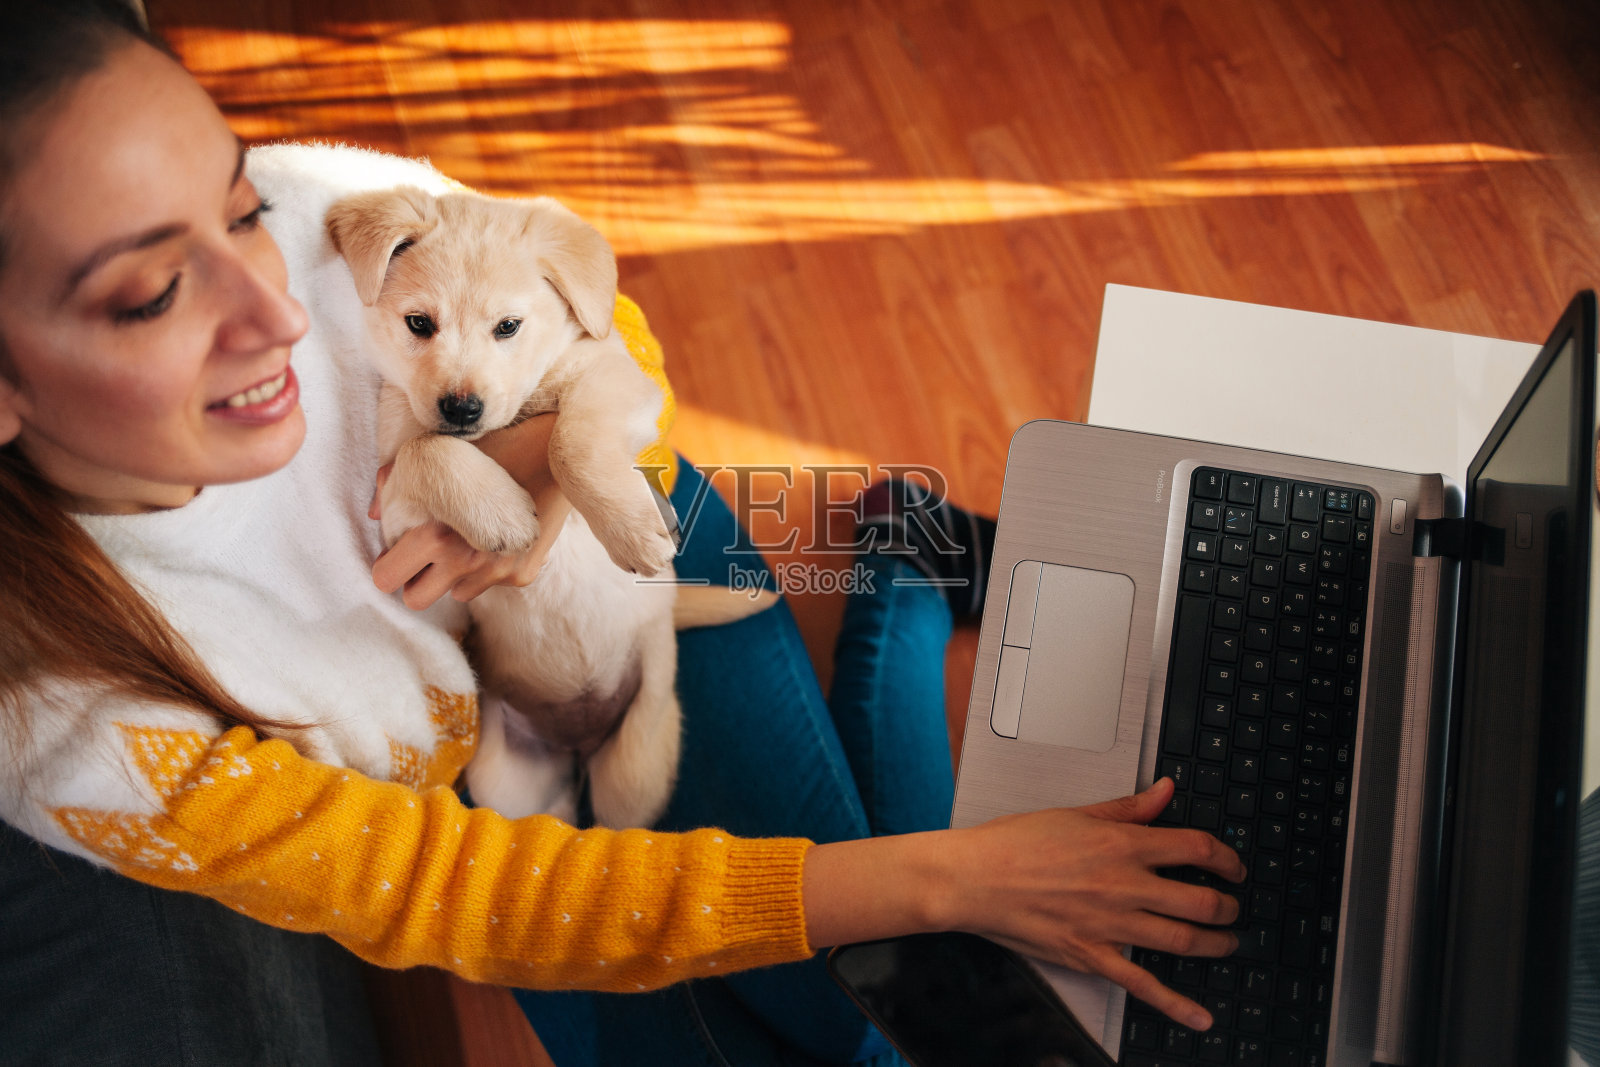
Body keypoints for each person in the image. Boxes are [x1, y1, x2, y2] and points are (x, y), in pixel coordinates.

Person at [0, 3, 1246, 1064]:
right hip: (499, 775)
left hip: (627, 566)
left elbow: (613, 329)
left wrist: (546, 470)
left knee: (884, 991)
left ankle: (894, 574)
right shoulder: (67, 723)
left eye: (237, 208)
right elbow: (456, 889)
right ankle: (897, 574)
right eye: (152, 293)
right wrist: (957, 875)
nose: (274, 305)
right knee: (875, 960)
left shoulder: (328, 207)